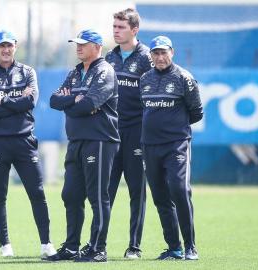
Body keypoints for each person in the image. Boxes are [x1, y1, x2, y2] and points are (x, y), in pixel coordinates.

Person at [0, 29, 57, 259]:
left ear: (15, 47)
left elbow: (30, 102)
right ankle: (5, 246)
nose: (6, 49)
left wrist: (3, 100)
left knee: (37, 192)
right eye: (1, 46)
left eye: (9, 45)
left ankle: (46, 244)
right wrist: (16, 100)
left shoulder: (27, 72)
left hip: (24, 141)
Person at [46, 29, 120, 263]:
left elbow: (88, 104)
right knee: (70, 195)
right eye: (76, 43)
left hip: (99, 140)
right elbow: (54, 100)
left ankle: (98, 249)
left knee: (97, 196)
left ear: (97, 47)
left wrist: (74, 102)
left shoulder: (105, 71)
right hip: (76, 140)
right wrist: (73, 101)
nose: (78, 47)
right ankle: (71, 247)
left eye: (83, 44)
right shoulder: (75, 72)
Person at [139, 36, 203, 260]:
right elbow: (144, 109)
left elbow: (196, 112)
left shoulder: (184, 78)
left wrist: (174, 129)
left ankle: (190, 246)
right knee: (160, 197)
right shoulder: (145, 78)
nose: (159, 57)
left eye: (163, 52)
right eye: (155, 53)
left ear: (172, 53)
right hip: (149, 146)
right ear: (151, 56)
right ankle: (174, 248)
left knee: (179, 190)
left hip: (176, 145)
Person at [105, 8, 153, 259]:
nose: (115, 30)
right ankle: (97, 244)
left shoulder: (147, 58)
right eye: (114, 26)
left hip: (137, 133)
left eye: (121, 27)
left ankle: (134, 246)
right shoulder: (109, 57)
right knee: (105, 192)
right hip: (111, 133)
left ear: (134, 30)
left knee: (137, 191)